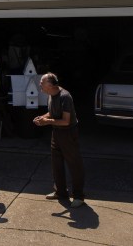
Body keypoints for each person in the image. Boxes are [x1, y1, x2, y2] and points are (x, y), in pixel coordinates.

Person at [33, 72, 85, 208]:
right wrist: (42, 117)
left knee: (74, 164)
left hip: (68, 133)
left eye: (42, 83)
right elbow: (53, 112)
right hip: (56, 132)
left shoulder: (65, 97)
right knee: (56, 164)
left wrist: (47, 122)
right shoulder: (50, 95)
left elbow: (66, 121)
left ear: (50, 85)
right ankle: (61, 192)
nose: (40, 85)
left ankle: (79, 196)